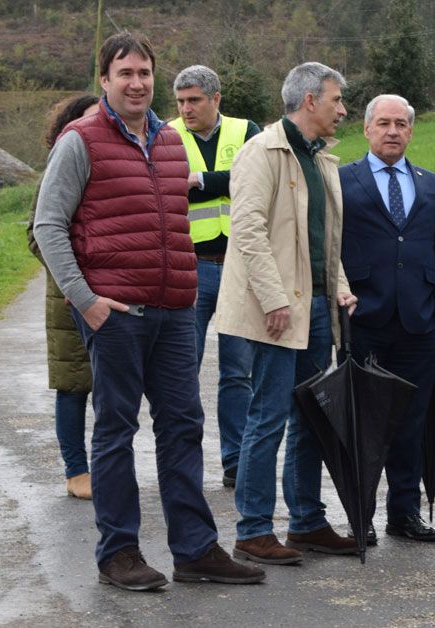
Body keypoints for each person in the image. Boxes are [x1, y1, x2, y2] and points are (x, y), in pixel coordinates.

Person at [33, 32, 264, 591]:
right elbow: (47, 226)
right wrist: (85, 301)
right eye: (124, 73)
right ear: (104, 81)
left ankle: (195, 550)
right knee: (115, 430)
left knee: (184, 426)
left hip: (175, 310)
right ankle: (119, 554)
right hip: (117, 315)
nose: (136, 83)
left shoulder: (168, 141)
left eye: (144, 73)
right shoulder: (80, 140)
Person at [213, 62, 359, 565]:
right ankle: (253, 530)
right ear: (309, 100)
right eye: (336, 100)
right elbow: (248, 229)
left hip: (316, 307)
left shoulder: (320, 159)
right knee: (268, 417)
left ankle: (306, 523)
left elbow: (323, 239)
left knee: (311, 419)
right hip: (278, 310)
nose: (342, 110)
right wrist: (274, 298)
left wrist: (338, 288)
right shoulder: (263, 151)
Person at [339, 94, 435, 543]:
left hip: (419, 323)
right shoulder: (343, 179)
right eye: (384, 123)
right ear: (367, 129)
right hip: (364, 317)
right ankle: (361, 515)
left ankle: (403, 512)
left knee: (412, 420)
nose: (392, 131)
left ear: (411, 130)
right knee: (366, 421)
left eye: (401, 124)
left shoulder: (429, 184)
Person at [168, 65, 262, 489]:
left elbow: (259, 181)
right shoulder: (166, 134)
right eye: (181, 101)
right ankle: (182, 462)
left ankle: (235, 462)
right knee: (181, 370)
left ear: (216, 99)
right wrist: (225, 183)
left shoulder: (247, 131)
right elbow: (167, 187)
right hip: (189, 268)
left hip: (239, 268)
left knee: (237, 373)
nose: (186, 109)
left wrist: (201, 180)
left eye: (195, 100)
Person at [27, 93, 100, 501]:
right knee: (74, 385)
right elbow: (37, 234)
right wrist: (74, 276)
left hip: (113, 291)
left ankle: (106, 465)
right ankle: (77, 471)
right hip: (69, 296)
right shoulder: (61, 164)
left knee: (113, 387)